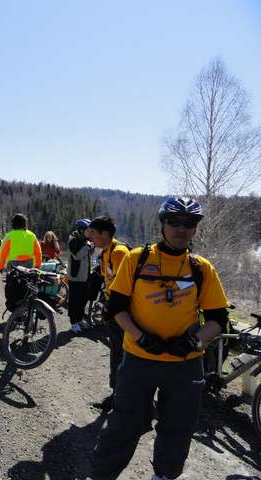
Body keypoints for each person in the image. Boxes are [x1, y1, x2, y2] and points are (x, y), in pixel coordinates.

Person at [90, 197, 229, 480]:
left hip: (185, 363)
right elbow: (116, 308)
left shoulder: (201, 267)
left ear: (195, 228)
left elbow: (218, 318)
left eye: (189, 223)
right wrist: (141, 338)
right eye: (174, 222)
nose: (181, 229)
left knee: (178, 427)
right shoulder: (137, 258)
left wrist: (193, 342)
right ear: (163, 224)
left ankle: (164, 476)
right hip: (139, 359)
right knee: (124, 423)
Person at [88, 216, 131, 411]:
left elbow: (124, 287)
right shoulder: (107, 251)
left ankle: (122, 398)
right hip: (112, 308)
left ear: (105, 234)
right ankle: (118, 394)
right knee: (117, 352)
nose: (91, 238)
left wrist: (112, 306)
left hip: (120, 312)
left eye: (93, 234)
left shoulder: (119, 252)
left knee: (122, 354)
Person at [68, 218, 95, 333]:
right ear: (81, 230)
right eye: (89, 231)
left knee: (83, 299)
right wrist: (88, 247)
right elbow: (77, 256)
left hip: (85, 275)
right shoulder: (73, 240)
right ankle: (74, 322)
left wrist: (91, 247)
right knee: (74, 300)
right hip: (75, 276)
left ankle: (79, 319)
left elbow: (90, 253)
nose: (90, 233)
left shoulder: (85, 240)